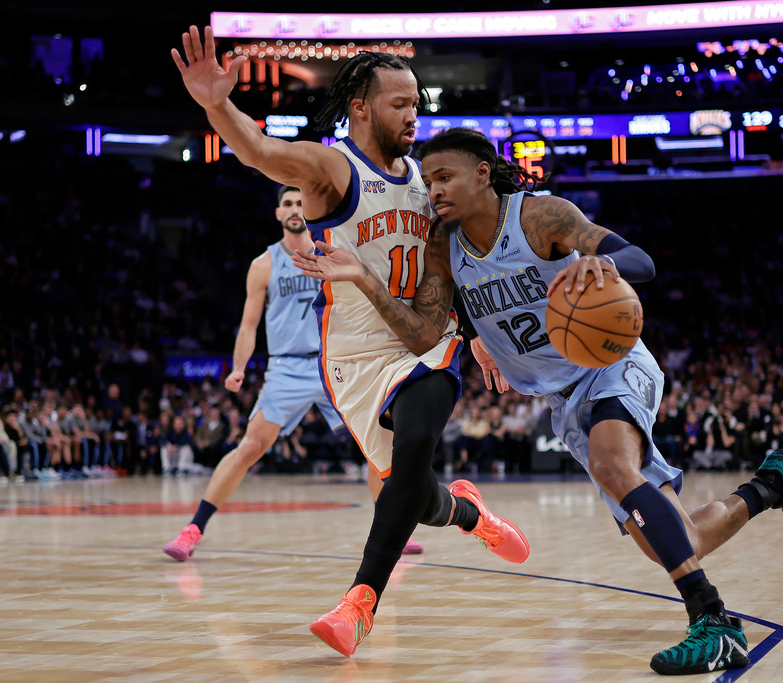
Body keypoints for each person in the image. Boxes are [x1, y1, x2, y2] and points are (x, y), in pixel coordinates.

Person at [293, 127, 783, 675]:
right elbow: (425, 330)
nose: (433, 190)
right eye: (428, 179)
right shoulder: (443, 244)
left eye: (445, 176)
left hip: (611, 365)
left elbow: (641, 261)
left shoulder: (540, 218)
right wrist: (369, 281)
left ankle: (714, 621)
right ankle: (771, 486)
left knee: (611, 463)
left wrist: (604, 264)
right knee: (677, 540)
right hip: (560, 397)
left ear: (482, 173)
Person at [171, 26, 529, 657]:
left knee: (418, 441)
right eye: (400, 104)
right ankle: (470, 514)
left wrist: (476, 334)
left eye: (418, 103)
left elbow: (458, 266)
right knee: (412, 493)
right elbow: (258, 150)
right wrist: (215, 105)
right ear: (361, 108)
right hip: (356, 356)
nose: (414, 116)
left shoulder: (429, 180)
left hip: (424, 338)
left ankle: (359, 602)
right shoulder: (333, 169)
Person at [162, 186, 418, 557]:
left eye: (300, 202)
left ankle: (393, 531)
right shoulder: (263, 264)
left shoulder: (334, 253)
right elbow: (249, 326)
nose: (295, 208)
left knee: (379, 447)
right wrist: (237, 368)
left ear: (310, 209)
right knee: (250, 445)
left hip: (338, 360)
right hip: (288, 366)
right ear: (278, 214)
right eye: (287, 204)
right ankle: (192, 530)